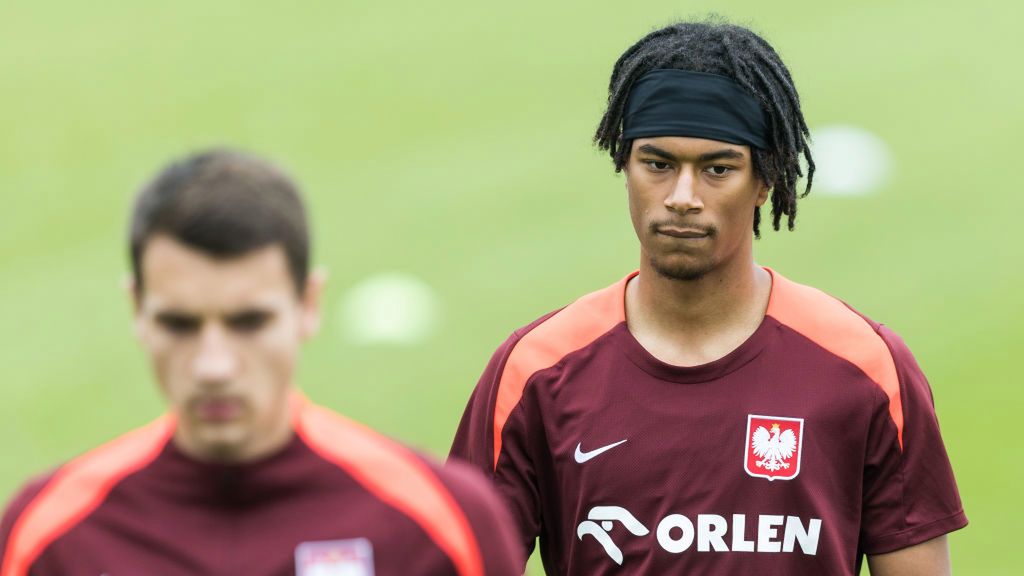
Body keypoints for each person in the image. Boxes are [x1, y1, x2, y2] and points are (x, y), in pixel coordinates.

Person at [449, 20, 966, 575]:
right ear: (624, 166)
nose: (682, 198)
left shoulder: (864, 366)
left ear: (766, 180)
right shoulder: (535, 371)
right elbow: (462, 559)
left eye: (718, 169)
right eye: (658, 164)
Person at [0, 150, 522, 576]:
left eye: (248, 323)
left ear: (308, 305)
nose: (214, 366)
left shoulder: (441, 524)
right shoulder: (52, 539)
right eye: (179, 325)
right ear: (137, 310)